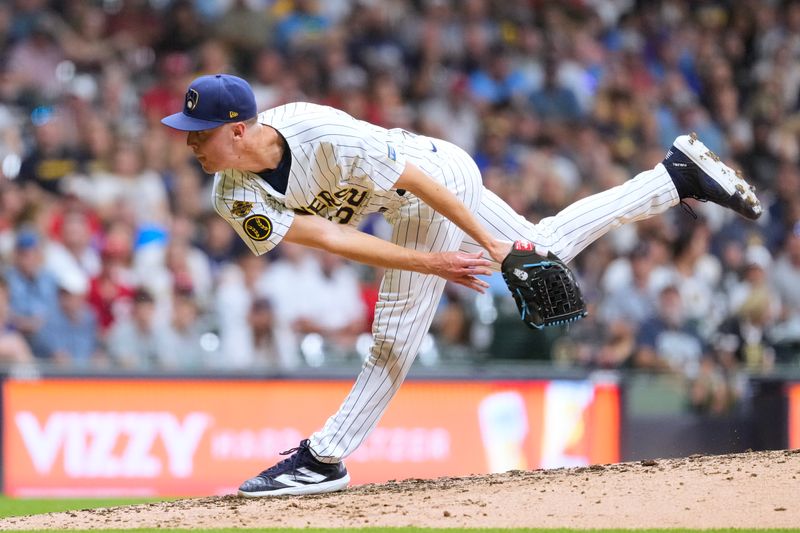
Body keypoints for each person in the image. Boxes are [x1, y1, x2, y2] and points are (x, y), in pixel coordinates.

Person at [161, 74, 763, 497]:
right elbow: (327, 238)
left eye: (199, 130)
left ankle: (324, 457)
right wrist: (442, 262)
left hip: (432, 178)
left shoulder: (322, 132)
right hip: (401, 208)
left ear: (238, 130)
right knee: (543, 249)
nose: (188, 141)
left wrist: (484, 246)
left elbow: (419, 181)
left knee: (394, 340)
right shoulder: (231, 191)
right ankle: (673, 177)